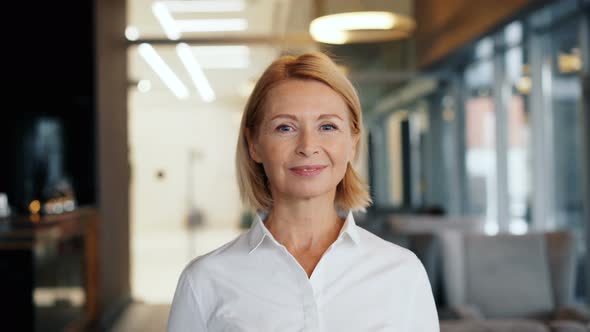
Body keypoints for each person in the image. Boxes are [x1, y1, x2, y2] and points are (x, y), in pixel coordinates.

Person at [167, 52, 439, 332]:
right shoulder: (204, 281)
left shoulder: (403, 273)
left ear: (353, 144)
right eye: (285, 127)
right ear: (254, 144)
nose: (308, 146)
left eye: (327, 126)